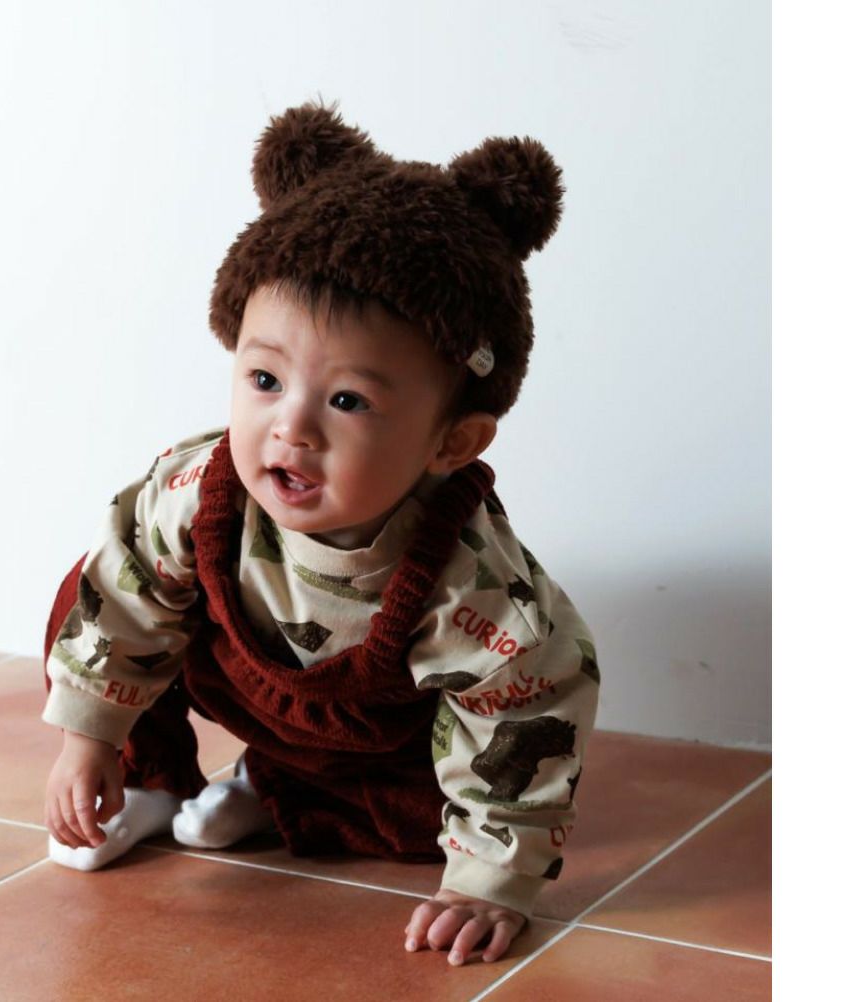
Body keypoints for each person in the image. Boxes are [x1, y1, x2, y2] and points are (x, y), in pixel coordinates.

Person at [41, 102, 600, 966]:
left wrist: (488, 884)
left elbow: (526, 711)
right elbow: (120, 604)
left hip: (373, 736)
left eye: (347, 400)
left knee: (417, 822)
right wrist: (91, 737)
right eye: (265, 379)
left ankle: (273, 789)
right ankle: (148, 782)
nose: (290, 427)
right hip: (237, 680)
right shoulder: (197, 493)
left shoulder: (472, 586)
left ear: (453, 442)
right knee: (102, 583)